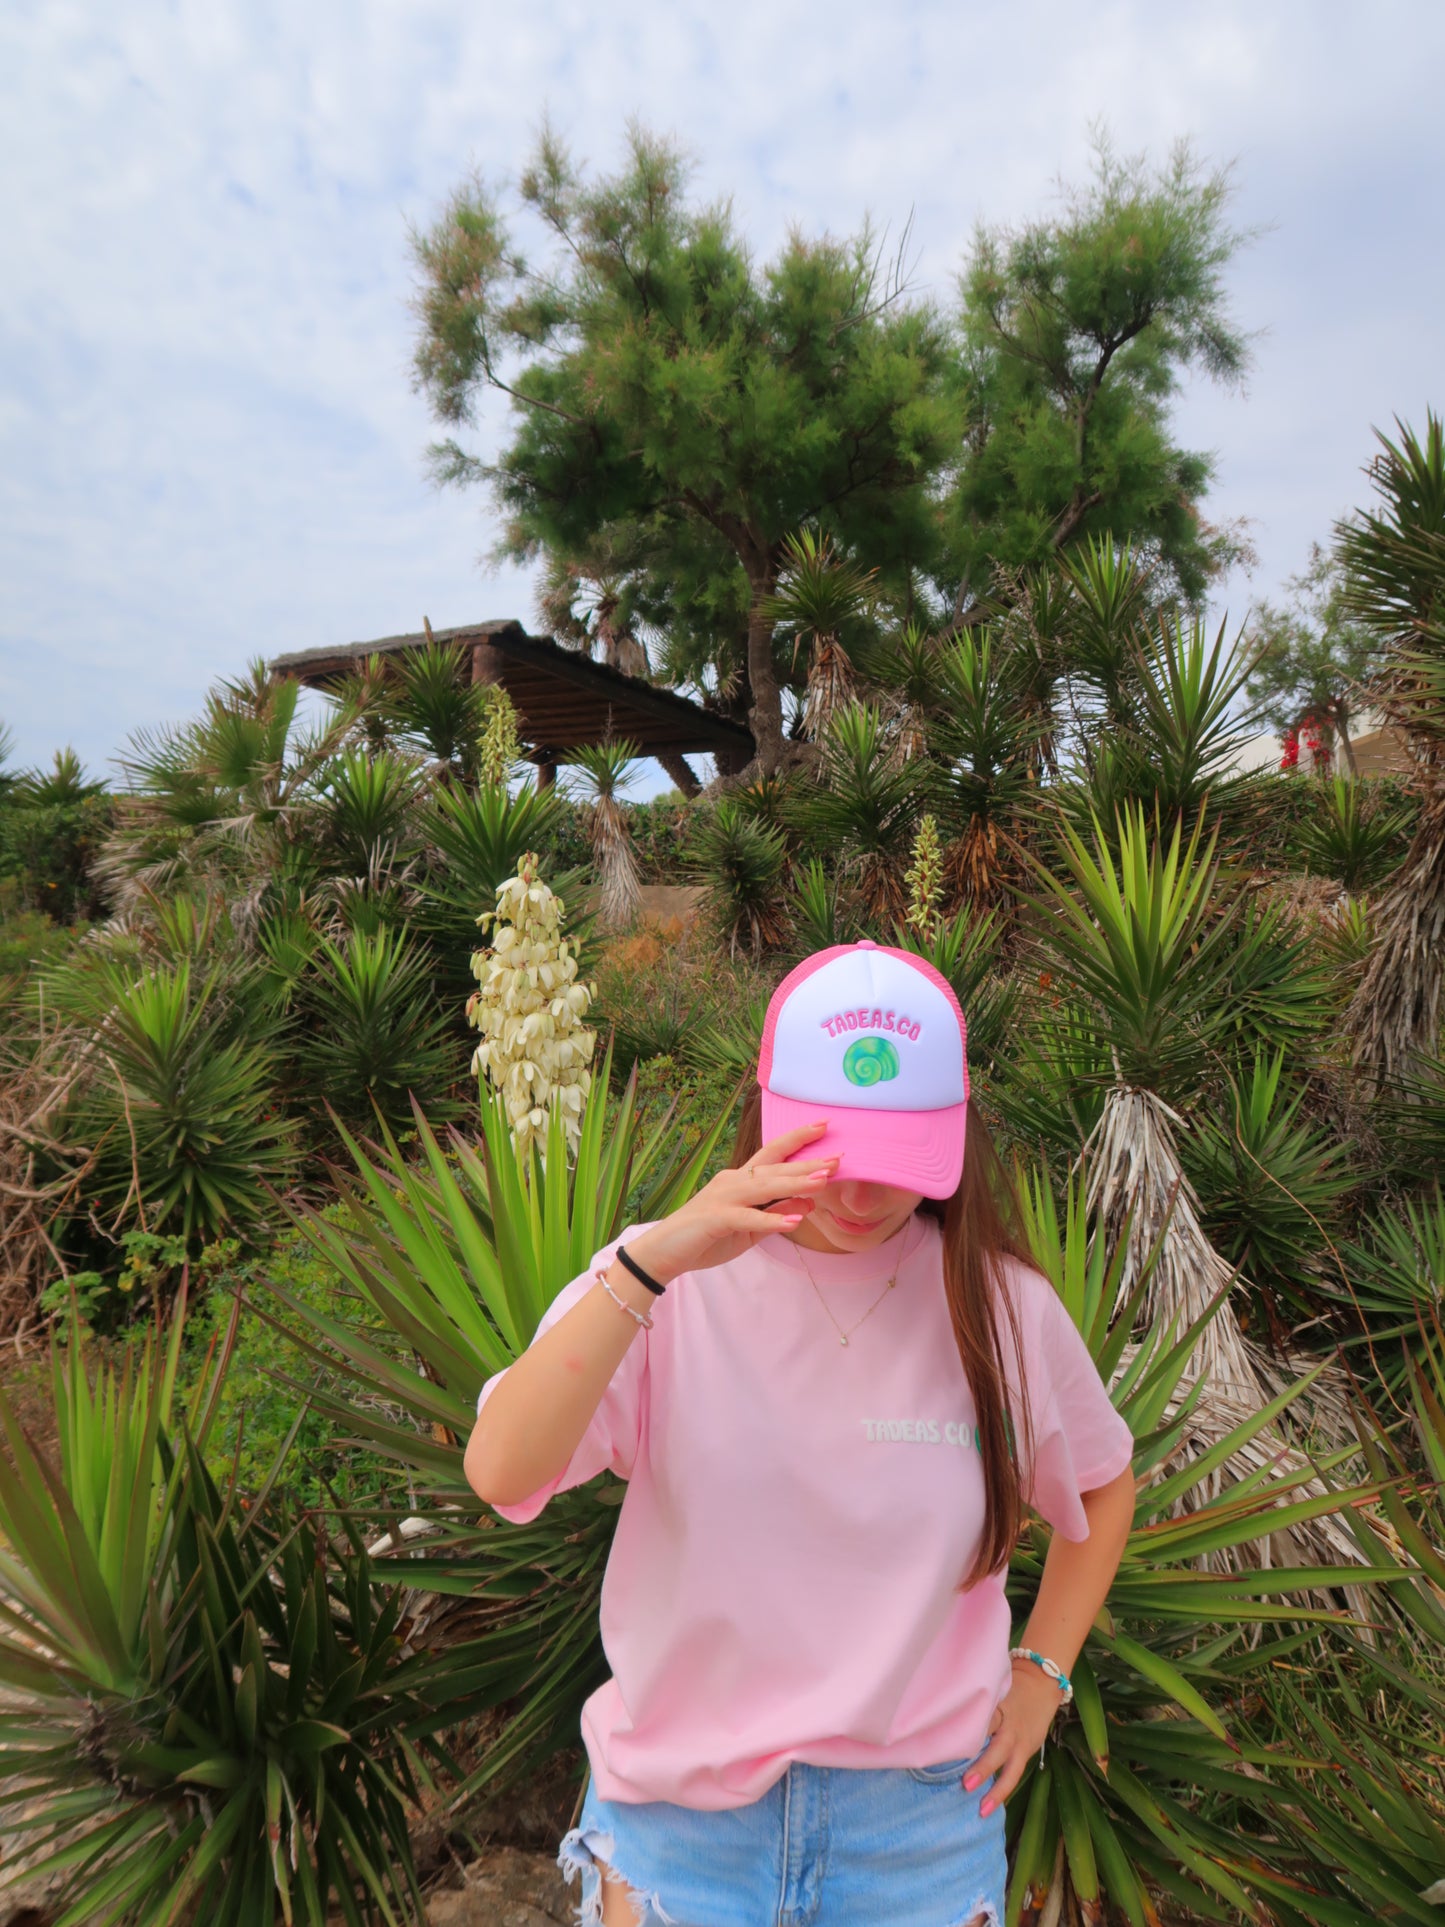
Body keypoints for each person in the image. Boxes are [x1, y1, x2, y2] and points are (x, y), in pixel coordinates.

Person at [466, 940, 1137, 1927]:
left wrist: (1039, 1676)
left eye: (896, 1161)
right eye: (832, 1154)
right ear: (765, 1105)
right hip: (678, 1823)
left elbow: (1098, 1485)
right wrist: (651, 1264)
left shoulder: (999, 1308)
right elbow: (500, 1469)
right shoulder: (661, 1287)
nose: (862, 1197)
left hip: (916, 1829)